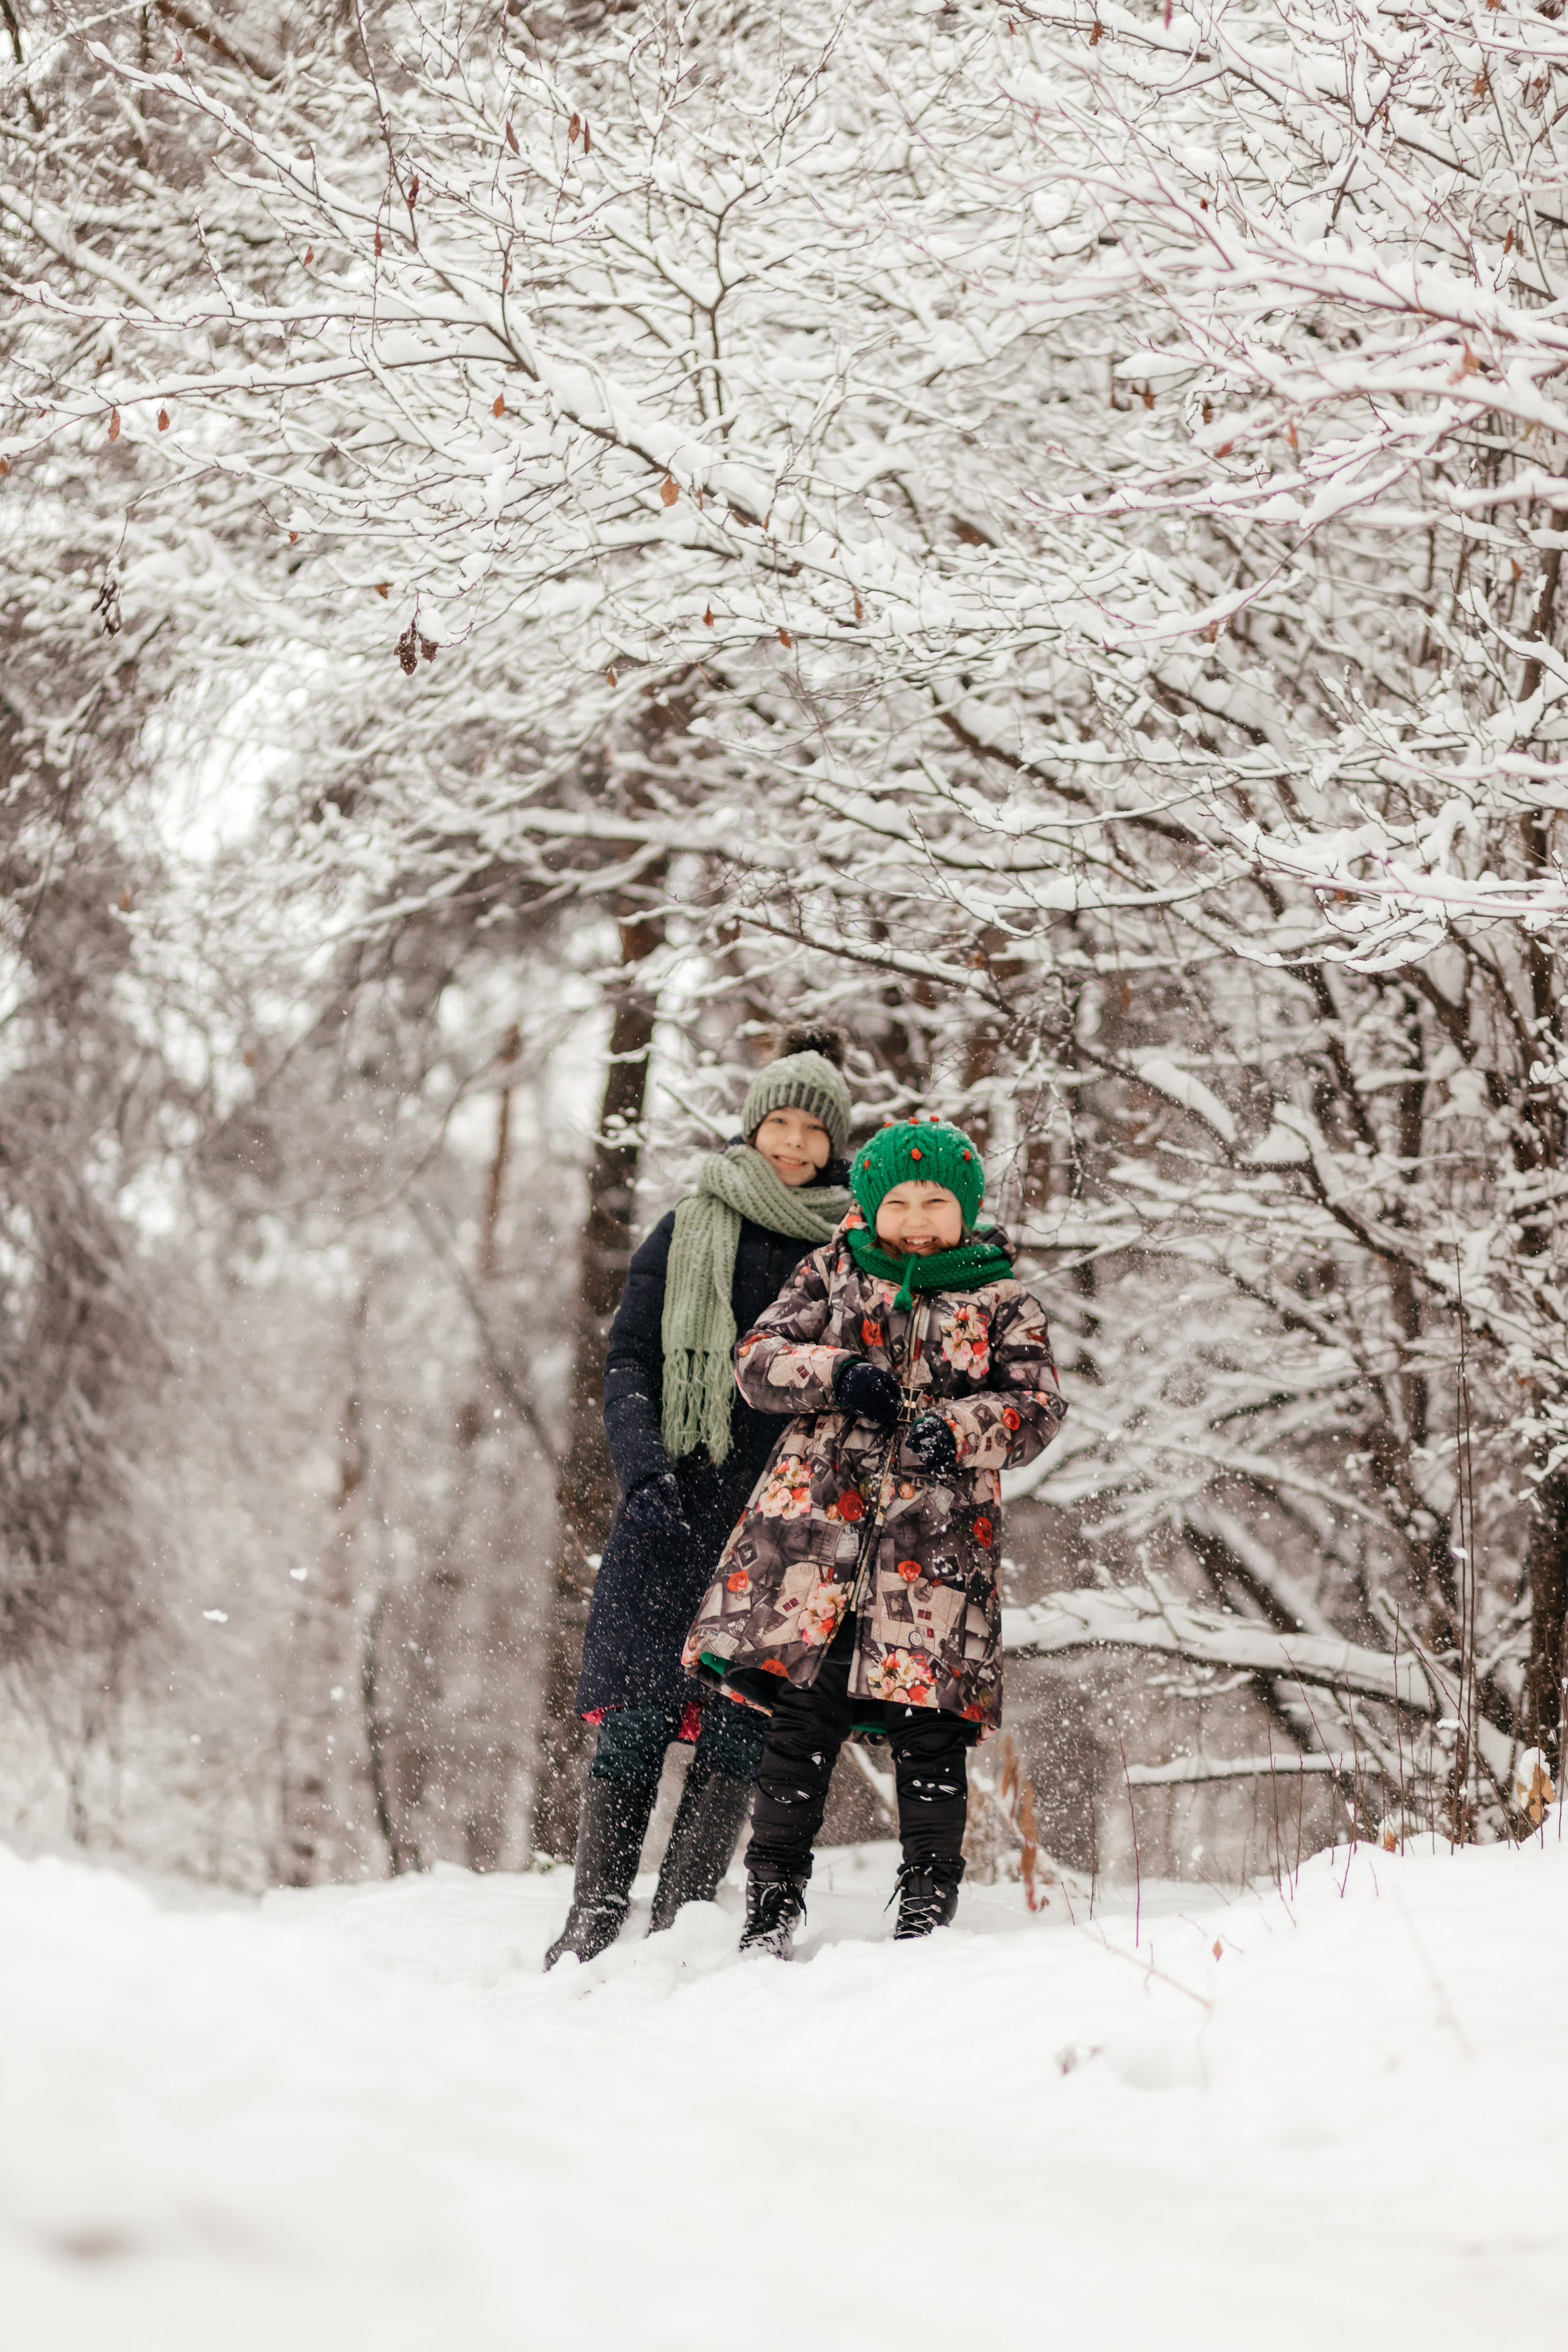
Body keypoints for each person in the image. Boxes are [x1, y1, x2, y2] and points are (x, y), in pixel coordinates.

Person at [682, 1117, 1068, 1958]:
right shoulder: (831, 1270)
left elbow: (1037, 1408)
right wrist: (834, 1374)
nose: (918, 1219)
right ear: (870, 1207)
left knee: (931, 1733)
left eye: (936, 1203)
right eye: (899, 1202)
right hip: (814, 1541)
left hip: (932, 1553)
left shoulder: (1002, 1299)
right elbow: (756, 1360)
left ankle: (927, 1912)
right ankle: (771, 1904)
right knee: (799, 1727)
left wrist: (961, 1429)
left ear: (965, 1211)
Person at [544, 1027, 858, 1969]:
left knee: (740, 1720)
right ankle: (594, 1912)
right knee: (637, 1711)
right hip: (674, 1498)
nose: (795, 1145)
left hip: (782, 1515)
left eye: (815, 1131)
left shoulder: (850, 1250)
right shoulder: (693, 1223)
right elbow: (631, 1356)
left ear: (836, 1145)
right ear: (755, 1125)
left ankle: (682, 1919)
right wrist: (642, 1469)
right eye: (781, 1124)